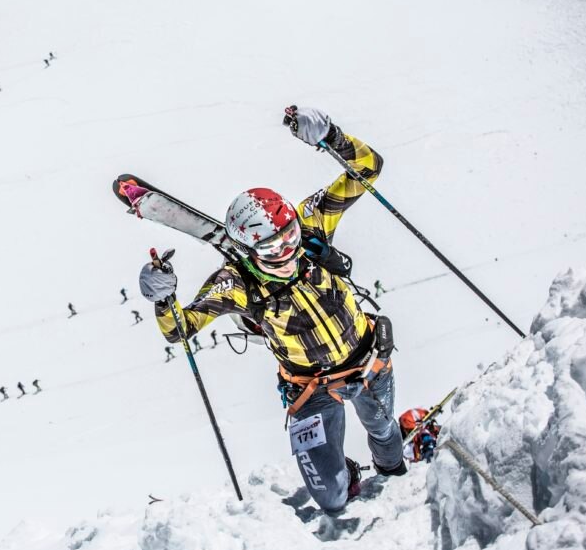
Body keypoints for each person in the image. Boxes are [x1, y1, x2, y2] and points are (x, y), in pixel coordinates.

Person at [137, 106, 404, 515]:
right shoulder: (235, 283)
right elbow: (180, 329)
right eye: (272, 247)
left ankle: (396, 475)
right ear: (247, 250)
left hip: (368, 362)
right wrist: (162, 298)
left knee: (386, 438)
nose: (287, 250)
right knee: (330, 498)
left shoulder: (311, 224)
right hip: (311, 391)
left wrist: (332, 136)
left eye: (290, 235)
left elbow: (368, 168)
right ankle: (345, 478)